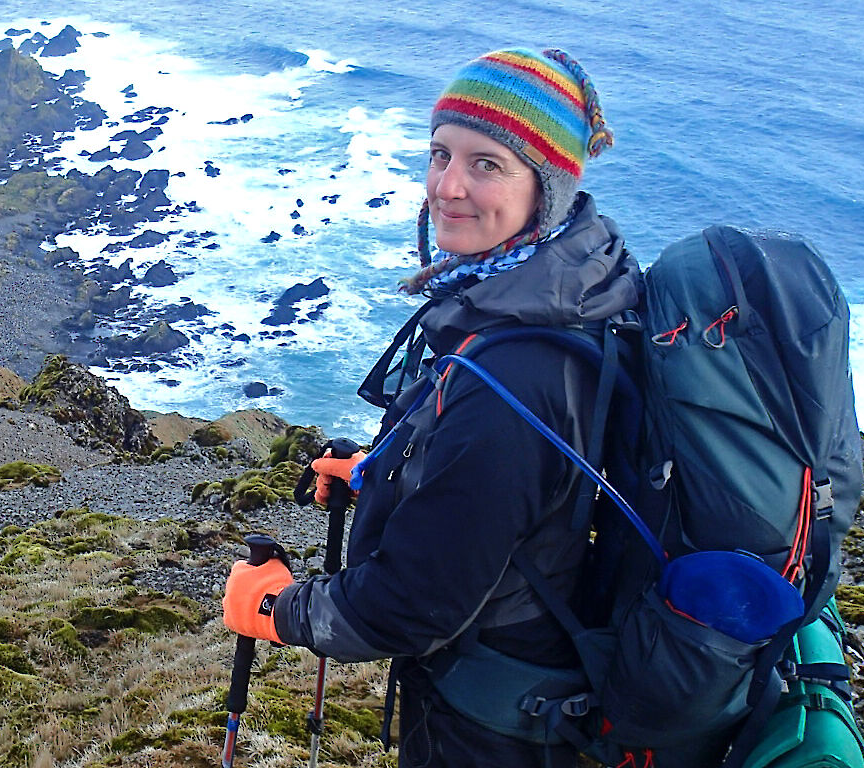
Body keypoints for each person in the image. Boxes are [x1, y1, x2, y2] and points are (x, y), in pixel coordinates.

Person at [222, 48, 638, 767]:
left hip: (494, 721)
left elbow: (414, 605)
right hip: (545, 680)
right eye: (440, 153)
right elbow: (515, 499)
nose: (447, 186)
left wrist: (273, 608)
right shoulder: (576, 289)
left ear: (548, 189)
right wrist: (376, 472)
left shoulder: (518, 375)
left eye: (487, 164)